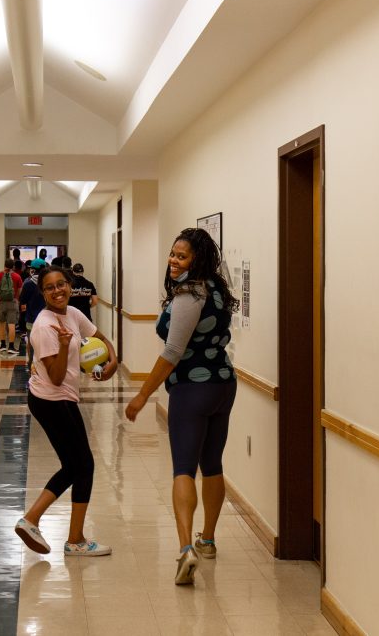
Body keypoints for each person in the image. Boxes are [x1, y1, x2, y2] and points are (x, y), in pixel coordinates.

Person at [123, 228, 239, 586]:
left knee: (184, 469)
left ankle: (186, 547)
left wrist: (143, 395)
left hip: (193, 388)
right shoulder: (219, 290)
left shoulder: (191, 294)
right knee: (213, 463)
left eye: (182, 256)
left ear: (197, 260)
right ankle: (209, 539)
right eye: (172, 254)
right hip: (222, 384)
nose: (173, 261)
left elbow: (172, 353)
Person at [14, 266, 119, 557]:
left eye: (62, 284)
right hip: (50, 400)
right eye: (50, 288)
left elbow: (99, 336)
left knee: (76, 466)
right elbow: (57, 376)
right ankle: (70, 538)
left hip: (63, 399)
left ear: (69, 285)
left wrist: (112, 360)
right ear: (42, 293)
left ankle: (35, 521)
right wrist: (62, 347)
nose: (58, 291)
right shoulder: (44, 326)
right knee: (82, 466)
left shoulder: (72, 313)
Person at [18, 258, 48, 366]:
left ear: (33, 270)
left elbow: (22, 301)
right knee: (46, 344)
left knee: (31, 343)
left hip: (31, 319)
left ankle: (31, 364)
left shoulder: (28, 283)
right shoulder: (48, 283)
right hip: (47, 320)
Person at [0, 258, 23, 355]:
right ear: (13, 266)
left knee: (1, 323)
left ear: (4, 265)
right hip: (13, 302)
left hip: (1, 303)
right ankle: (12, 347)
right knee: (11, 324)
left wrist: (0, 290)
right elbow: (20, 292)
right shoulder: (17, 276)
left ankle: (3, 345)